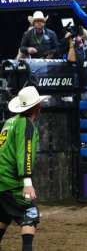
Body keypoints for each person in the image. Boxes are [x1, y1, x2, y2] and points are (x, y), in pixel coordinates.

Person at [0, 86, 51, 251]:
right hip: (10, 180)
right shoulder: (26, 124)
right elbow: (25, 154)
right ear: (37, 106)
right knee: (30, 212)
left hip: (1, 179)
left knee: (4, 214)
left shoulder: (9, 122)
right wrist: (27, 182)